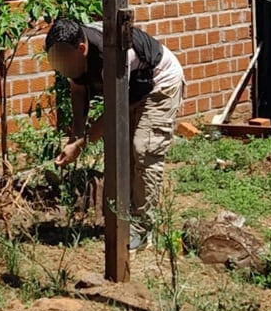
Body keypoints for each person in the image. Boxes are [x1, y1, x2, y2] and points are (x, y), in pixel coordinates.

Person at [45, 16, 185, 251]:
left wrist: (81, 145)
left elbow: (113, 111)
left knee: (143, 149)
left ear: (82, 48)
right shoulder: (70, 53)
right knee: (123, 152)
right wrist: (76, 133)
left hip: (159, 82)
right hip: (131, 91)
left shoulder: (112, 54)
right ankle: (125, 217)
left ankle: (142, 228)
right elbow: (77, 89)